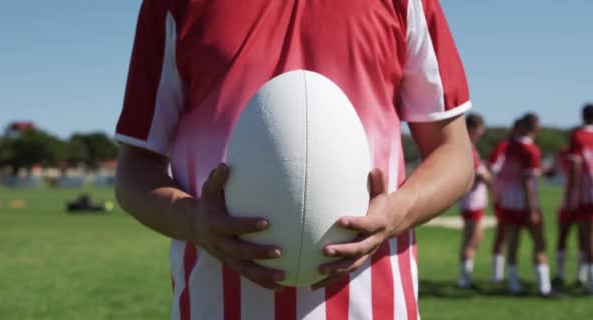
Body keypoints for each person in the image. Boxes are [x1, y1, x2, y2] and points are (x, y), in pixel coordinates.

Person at [114, 1, 474, 319]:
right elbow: (135, 169)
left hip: (374, 306)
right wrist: (194, 221)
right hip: (216, 305)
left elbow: (454, 154)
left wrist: (395, 213)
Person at [496, 113, 554, 296]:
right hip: (525, 204)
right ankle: (544, 287)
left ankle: (513, 284)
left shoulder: (509, 147)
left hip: (509, 203)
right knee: (540, 244)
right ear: (534, 128)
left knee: (513, 244)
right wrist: (532, 209)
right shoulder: (531, 150)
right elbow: (527, 180)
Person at [457, 114, 492, 289]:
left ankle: (465, 278)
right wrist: (490, 179)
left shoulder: (468, 147)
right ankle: (465, 279)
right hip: (471, 200)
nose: (481, 134)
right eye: (479, 130)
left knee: (473, 238)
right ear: (471, 129)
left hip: (472, 200)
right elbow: (480, 174)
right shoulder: (468, 148)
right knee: (472, 239)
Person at [546, 140, 587, 287]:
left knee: (584, 240)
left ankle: (581, 277)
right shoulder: (563, 153)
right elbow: (552, 172)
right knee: (564, 237)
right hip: (571, 202)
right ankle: (561, 274)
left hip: (581, 202)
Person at [487, 118, 523, 284]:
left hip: (519, 200)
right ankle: (499, 276)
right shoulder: (505, 146)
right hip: (505, 199)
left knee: (512, 237)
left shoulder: (524, 147)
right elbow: (492, 167)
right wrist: (495, 192)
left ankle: (508, 277)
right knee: (502, 235)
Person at [566, 103, 593, 294]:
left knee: (587, 238)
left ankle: (590, 283)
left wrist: (570, 195)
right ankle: (582, 276)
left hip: (587, 195)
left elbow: (575, 168)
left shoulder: (579, 136)